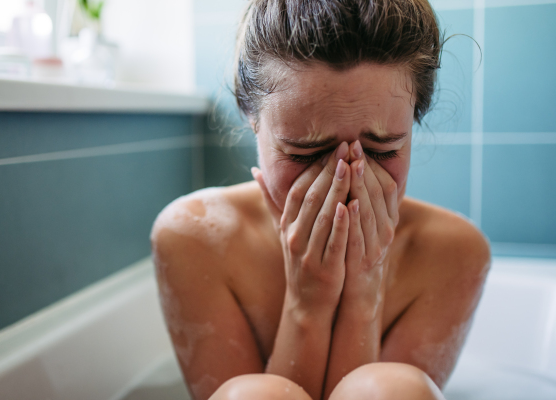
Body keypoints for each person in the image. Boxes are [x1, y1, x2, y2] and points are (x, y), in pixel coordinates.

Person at [151, 1, 490, 399]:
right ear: (252, 119)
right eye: (305, 154)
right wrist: (307, 303)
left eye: (381, 150)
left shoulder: (454, 253)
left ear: (413, 122)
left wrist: (363, 293)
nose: (346, 177)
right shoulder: (194, 237)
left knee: (396, 388)